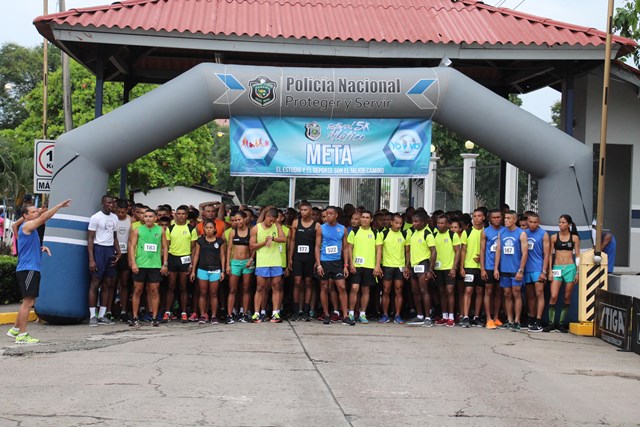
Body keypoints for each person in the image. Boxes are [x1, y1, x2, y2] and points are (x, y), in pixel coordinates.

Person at [6, 199, 72, 343]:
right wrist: (59, 206)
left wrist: (40, 248)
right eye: (33, 212)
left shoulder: (27, 227)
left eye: (37, 211)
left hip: (29, 268)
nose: (36, 213)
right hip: (28, 269)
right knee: (28, 302)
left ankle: (15, 329)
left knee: (28, 301)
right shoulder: (28, 225)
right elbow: (44, 217)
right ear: (25, 215)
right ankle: (22, 335)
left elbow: (23, 236)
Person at [128, 209, 168, 326]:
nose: (148, 218)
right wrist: (133, 263)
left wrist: (165, 264)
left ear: (155, 218)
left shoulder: (160, 230)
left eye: (150, 216)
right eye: (146, 216)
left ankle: (154, 317)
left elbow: (165, 247)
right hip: (140, 265)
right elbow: (132, 246)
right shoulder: (138, 230)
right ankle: (135, 317)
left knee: (154, 291)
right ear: (143, 218)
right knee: (137, 291)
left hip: (155, 265)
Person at [87, 195, 121, 327]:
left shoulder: (114, 218)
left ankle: (102, 315)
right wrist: (91, 259)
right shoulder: (95, 217)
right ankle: (92, 316)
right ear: (103, 203)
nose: (111, 205)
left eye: (112, 203)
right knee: (95, 283)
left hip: (109, 250)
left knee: (108, 283)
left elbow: (114, 237)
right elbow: (90, 239)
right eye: (108, 202)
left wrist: (118, 252)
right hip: (99, 249)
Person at [315, 206, 352, 325]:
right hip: (324, 261)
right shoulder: (321, 228)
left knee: (342, 287)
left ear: (336, 215)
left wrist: (345, 265)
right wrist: (318, 264)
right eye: (327, 214)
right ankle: (326, 314)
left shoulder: (342, 229)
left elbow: (345, 248)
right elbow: (317, 247)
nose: (328, 216)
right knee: (324, 287)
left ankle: (345, 316)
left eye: (331, 213)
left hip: (337, 262)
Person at [493, 210, 528, 331]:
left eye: (508, 218)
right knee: (507, 294)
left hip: (516, 269)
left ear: (514, 220)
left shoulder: (521, 233)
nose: (506, 220)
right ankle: (510, 320)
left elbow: (525, 253)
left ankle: (517, 320)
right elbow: (498, 251)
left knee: (516, 294)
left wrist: (521, 270)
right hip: (504, 269)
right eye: (505, 218)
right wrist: (496, 268)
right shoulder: (501, 232)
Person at [250, 207, 286, 323]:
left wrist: (273, 238)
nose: (272, 223)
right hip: (262, 262)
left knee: (276, 287)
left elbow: (283, 239)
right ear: (266, 217)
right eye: (271, 220)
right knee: (260, 288)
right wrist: (264, 242)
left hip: (276, 261)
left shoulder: (277, 225)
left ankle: (275, 313)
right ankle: (256, 314)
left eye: (274, 221)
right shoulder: (256, 228)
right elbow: (252, 246)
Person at [545, 214, 580, 333]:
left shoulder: (574, 238)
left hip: (570, 268)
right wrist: (550, 270)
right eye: (559, 222)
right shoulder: (554, 237)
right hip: (557, 268)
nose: (561, 224)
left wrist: (577, 272)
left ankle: (561, 323)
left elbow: (578, 255)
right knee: (554, 295)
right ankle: (551, 323)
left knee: (567, 296)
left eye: (563, 222)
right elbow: (550, 254)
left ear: (569, 224)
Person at [162, 205, 198, 323]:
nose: (181, 216)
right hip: (172, 258)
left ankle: (183, 312)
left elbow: (193, 248)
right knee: (171, 286)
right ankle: (167, 311)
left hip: (185, 259)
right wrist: (165, 263)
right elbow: (166, 247)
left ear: (186, 215)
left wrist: (191, 264)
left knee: (183, 286)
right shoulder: (170, 228)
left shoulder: (191, 229)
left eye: (183, 214)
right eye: (178, 214)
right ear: (175, 215)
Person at [375, 213, 410, 324]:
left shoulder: (405, 234)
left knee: (399, 290)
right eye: (396, 223)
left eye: (400, 223)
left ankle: (397, 315)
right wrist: (378, 265)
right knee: (386, 290)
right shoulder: (383, 233)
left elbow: (407, 252)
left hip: (400, 266)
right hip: (387, 266)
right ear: (391, 222)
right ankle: (385, 315)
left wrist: (407, 266)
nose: (398, 225)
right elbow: (379, 250)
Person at [288, 201, 320, 321]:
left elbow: (317, 245)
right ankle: (296, 310)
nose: (303, 212)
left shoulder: (317, 226)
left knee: (308, 283)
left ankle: (306, 311)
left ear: (310, 211)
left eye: (305, 210)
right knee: (297, 282)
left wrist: (317, 261)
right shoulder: (296, 223)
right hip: (298, 257)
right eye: (301, 210)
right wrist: (290, 258)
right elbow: (292, 241)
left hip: (310, 258)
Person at [346, 210, 380, 324]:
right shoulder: (354, 231)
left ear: (371, 220)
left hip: (369, 266)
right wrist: (351, 264)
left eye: (367, 217)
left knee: (366, 290)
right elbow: (349, 248)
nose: (365, 219)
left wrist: (377, 266)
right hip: (356, 265)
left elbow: (379, 250)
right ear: (360, 219)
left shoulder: (375, 233)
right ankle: (351, 313)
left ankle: (362, 314)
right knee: (354, 288)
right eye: (363, 217)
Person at [191, 220, 226, 324]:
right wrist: (193, 270)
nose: (209, 230)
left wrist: (223, 271)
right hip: (202, 269)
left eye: (211, 228)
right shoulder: (200, 241)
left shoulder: (220, 241)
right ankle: (202, 315)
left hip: (215, 269)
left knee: (213, 293)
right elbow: (196, 255)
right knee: (203, 293)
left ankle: (214, 316)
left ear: (215, 229)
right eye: (207, 228)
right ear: (204, 229)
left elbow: (222, 256)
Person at [405, 210, 437, 327]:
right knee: (415, 291)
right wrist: (407, 266)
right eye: (413, 221)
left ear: (423, 222)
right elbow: (410, 251)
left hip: (423, 264)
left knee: (424, 290)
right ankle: (419, 316)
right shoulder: (413, 234)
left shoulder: (427, 234)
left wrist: (430, 269)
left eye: (416, 221)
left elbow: (434, 251)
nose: (414, 223)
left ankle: (428, 317)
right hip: (414, 265)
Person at [432, 214, 461, 327]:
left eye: (442, 223)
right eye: (438, 223)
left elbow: (458, 252)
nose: (440, 225)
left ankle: (451, 317)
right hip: (438, 268)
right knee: (441, 292)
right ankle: (444, 316)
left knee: (450, 291)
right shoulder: (434, 235)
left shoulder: (452, 235)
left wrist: (454, 268)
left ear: (448, 224)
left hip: (449, 268)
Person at [226, 210, 255, 323]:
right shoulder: (233, 232)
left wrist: (251, 259)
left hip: (247, 262)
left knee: (246, 289)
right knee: (232, 289)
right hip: (235, 263)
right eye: (235, 220)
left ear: (245, 219)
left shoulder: (251, 232)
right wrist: (228, 265)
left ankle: (244, 313)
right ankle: (229, 314)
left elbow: (254, 248)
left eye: (239, 219)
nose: (237, 222)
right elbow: (229, 249)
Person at [459, 208, 486, 328]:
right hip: (469, 266)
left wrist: (482, 258)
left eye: (479, 216)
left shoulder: (486, 231)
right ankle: (465, 316)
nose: (476, 218)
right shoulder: (467, 232)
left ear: (483, 217)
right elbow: (463, 250)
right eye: (474, 216)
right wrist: (461, 267)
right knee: (468, 290)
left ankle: (476, 317)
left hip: (482, 267)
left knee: (480, 291)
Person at [524, 213, 549, 332]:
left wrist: (544, 271)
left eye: (535, 222)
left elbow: (547, 254)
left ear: (539, 222)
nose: (532, 224)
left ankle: (538, 322)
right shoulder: (524, 233)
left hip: (538, 268)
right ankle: (531, 318)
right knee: (530, 295)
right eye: (530, 222)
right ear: (527, 222)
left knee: (539, 294)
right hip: (527, 269)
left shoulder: (543, 234)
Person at [480, 209, 505, 330]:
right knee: (488, 291)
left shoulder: (505, 230)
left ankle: (496, 317)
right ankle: (488, 318)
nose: (496, 220)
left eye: (498, 217)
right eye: (494, 217)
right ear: (489, 219)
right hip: (489, 266)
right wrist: (482, 269)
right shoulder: (485, 232)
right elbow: (482, 250)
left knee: (499, 292)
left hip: (502, 266)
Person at [114, 199, 132, 322]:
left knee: (124, 283)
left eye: (123, 212)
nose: (120, 214)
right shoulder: (112, 219)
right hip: (114, 253)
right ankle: (109, 310)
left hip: (126, 254)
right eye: (118, 211)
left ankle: (124, 310)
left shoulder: (131, 220)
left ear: (127, 210)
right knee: (112, 283)